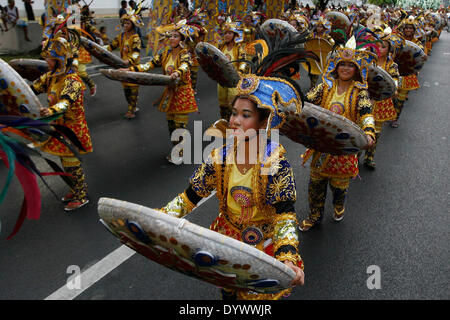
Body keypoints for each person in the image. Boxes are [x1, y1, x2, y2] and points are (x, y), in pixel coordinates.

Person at [159, 74, 305, 300]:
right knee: (227, 292)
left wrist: (287, 257)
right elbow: (191, 196)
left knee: (254, 299)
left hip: (261, 245)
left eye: (245, 115)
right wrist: (160, 219)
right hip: (226, 238)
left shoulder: (275, 163)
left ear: (263, 122)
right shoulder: (220, 156)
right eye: (234, 113)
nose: (235, 120)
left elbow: (284, 215)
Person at [298, 36, 376, 231]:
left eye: (350, 66)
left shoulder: (360, 92)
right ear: (336, 67)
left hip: (344, 148)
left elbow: (366, 113)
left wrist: (369, 133)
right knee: (315, 183)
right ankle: (314, 216)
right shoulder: (325, 86)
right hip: (322, 145)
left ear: (356, 70)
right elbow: (306, 102)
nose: (346, 69)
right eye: (342, 65)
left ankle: (339, 204)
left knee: (339, 187)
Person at [31, 34, 93, 211]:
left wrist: (50, 111)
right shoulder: (50, 77)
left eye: (49, 58)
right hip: (59, 126)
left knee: (72, 163)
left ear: (59, 59)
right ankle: (75, 189)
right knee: (65, 162)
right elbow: (31, 89)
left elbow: (66, 102)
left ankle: (81, 196)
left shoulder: (73, 80)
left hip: (73, 128)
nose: (46, 61)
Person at [125, 21, 198, 162]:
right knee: (171, 125)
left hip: (182, 94)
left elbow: (185, 66)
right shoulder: (165, 53)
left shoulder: (185, 54)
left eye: (176, 36)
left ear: (182, 40)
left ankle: (180, 153)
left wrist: (177, 73)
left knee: (179, 126)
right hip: (170, 93)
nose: (171, 38)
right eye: (170, 36)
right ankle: (177, 148)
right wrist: (131, 69)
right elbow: (149, 64)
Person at [363, 26, 400, 170]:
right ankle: (355, 157)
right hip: (365, 99)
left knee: (376, 133)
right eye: (377, 46)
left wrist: (394, 88)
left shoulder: (392, 65)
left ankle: (369, 157)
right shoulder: (367, 61)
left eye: (383, 47)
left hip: (381, 102)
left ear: (389, 50)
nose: (379, 49)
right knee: (361, 130)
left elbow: (395, 82)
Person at [106, 9, 143, 119]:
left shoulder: (136, 38)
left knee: (133, 90)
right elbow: (111, 47)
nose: (125, 25)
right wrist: (100, 50)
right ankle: (133, 105)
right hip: (122, 68)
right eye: (124, 23)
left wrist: (129, 61)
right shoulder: (120, 37)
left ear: (132, 25)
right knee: (126, 91)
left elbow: (136, 54)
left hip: (133, 68)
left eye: (128, 23)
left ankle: (131, 110)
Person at [217, 19, 243, 120]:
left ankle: (234, 126)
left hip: (234, 81)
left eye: (229, 33)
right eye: (225, 33)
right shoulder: (220, 47)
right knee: (223, 106)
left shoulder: (239, 48)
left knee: (233, 105)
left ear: (234, 34)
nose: (227, 35)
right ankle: (225, 123)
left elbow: (243, 62)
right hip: (222, 81)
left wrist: (240, 72)